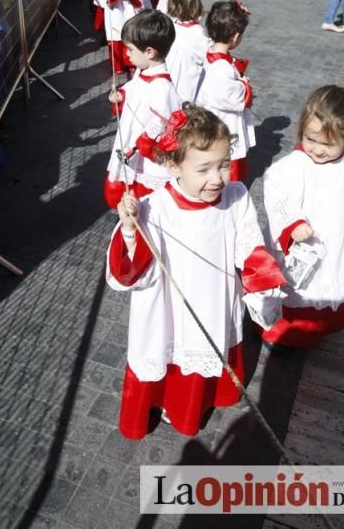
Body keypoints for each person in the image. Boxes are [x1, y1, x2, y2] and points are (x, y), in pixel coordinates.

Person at [106, 103, 286, 439]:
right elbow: (128, 275)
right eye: (203, 169)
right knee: (174, 349)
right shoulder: (154, 208)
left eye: (223, 165)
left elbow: (249, 244)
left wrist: (262, 280)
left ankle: (198, 403)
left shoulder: (236, 196)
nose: (217, 178)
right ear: (172, 166)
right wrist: (130, 229)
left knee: (209, 345)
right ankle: (165, 405)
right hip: (169, 309)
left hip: (214, 299)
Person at [259, 85, 344, 349]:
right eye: (311, 139)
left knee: (332, 280)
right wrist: (293, 222)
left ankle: (324, 324)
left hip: (336, 239)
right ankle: (286, 332)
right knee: (300, 288)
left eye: (327, 144)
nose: (318, 150)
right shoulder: (293, 166)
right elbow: (278, 193)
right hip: (304, 244)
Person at [103, 10, 181, 208]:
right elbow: (134, 88)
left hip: (145, 152)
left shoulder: (163, 88)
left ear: (149, 52)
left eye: (130, 50)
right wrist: (122, 94)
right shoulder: (143, 71)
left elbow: (165, 121)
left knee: (143, 198)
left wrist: (142, 142)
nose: (126, 53)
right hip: (131, 139)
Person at [198, 0, 255, 181]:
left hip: (212, 113)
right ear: (235, 37)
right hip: (224, 120)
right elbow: (229, 97)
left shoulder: (209, 50)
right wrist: (243, 84)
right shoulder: (222, 67)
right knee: (227, 160)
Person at [166, 0, 210, 102]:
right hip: (186, 88)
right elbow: (209, 56)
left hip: (168, 83)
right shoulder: (197, 33)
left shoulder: (169, 25)